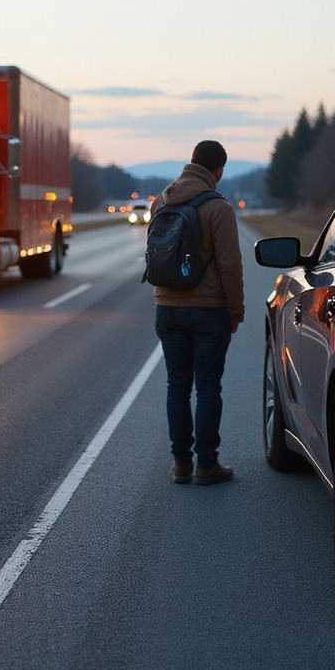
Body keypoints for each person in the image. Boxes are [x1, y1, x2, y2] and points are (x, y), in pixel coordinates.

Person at [150, 140, 244, 485]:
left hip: (167, 308)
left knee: (177, 386)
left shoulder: (160, 201)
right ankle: (207, 464)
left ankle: (180, 464)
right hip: (208, 311)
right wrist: (236, 310)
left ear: (191, 163)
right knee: (207, 387)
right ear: (218, 170)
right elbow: (230, 265)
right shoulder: (218, 208)